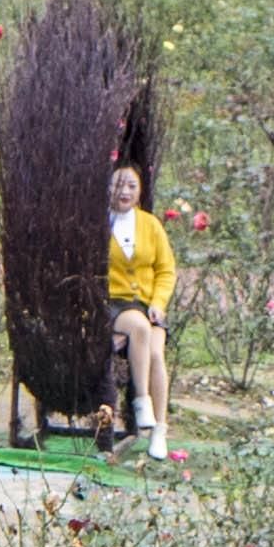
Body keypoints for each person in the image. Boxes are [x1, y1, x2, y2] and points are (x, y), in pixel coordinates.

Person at [103, 163, 176, 457]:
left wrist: (158, 303)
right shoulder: (99, 224)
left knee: (156, 353)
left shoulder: (150, 224)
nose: (125, 192)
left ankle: (159, 430)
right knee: (139, 326)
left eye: (132, 186)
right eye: (119, 185)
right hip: (116, 304)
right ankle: (141, 400)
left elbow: (166, 269)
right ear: (107, 188)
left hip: (147, 304)